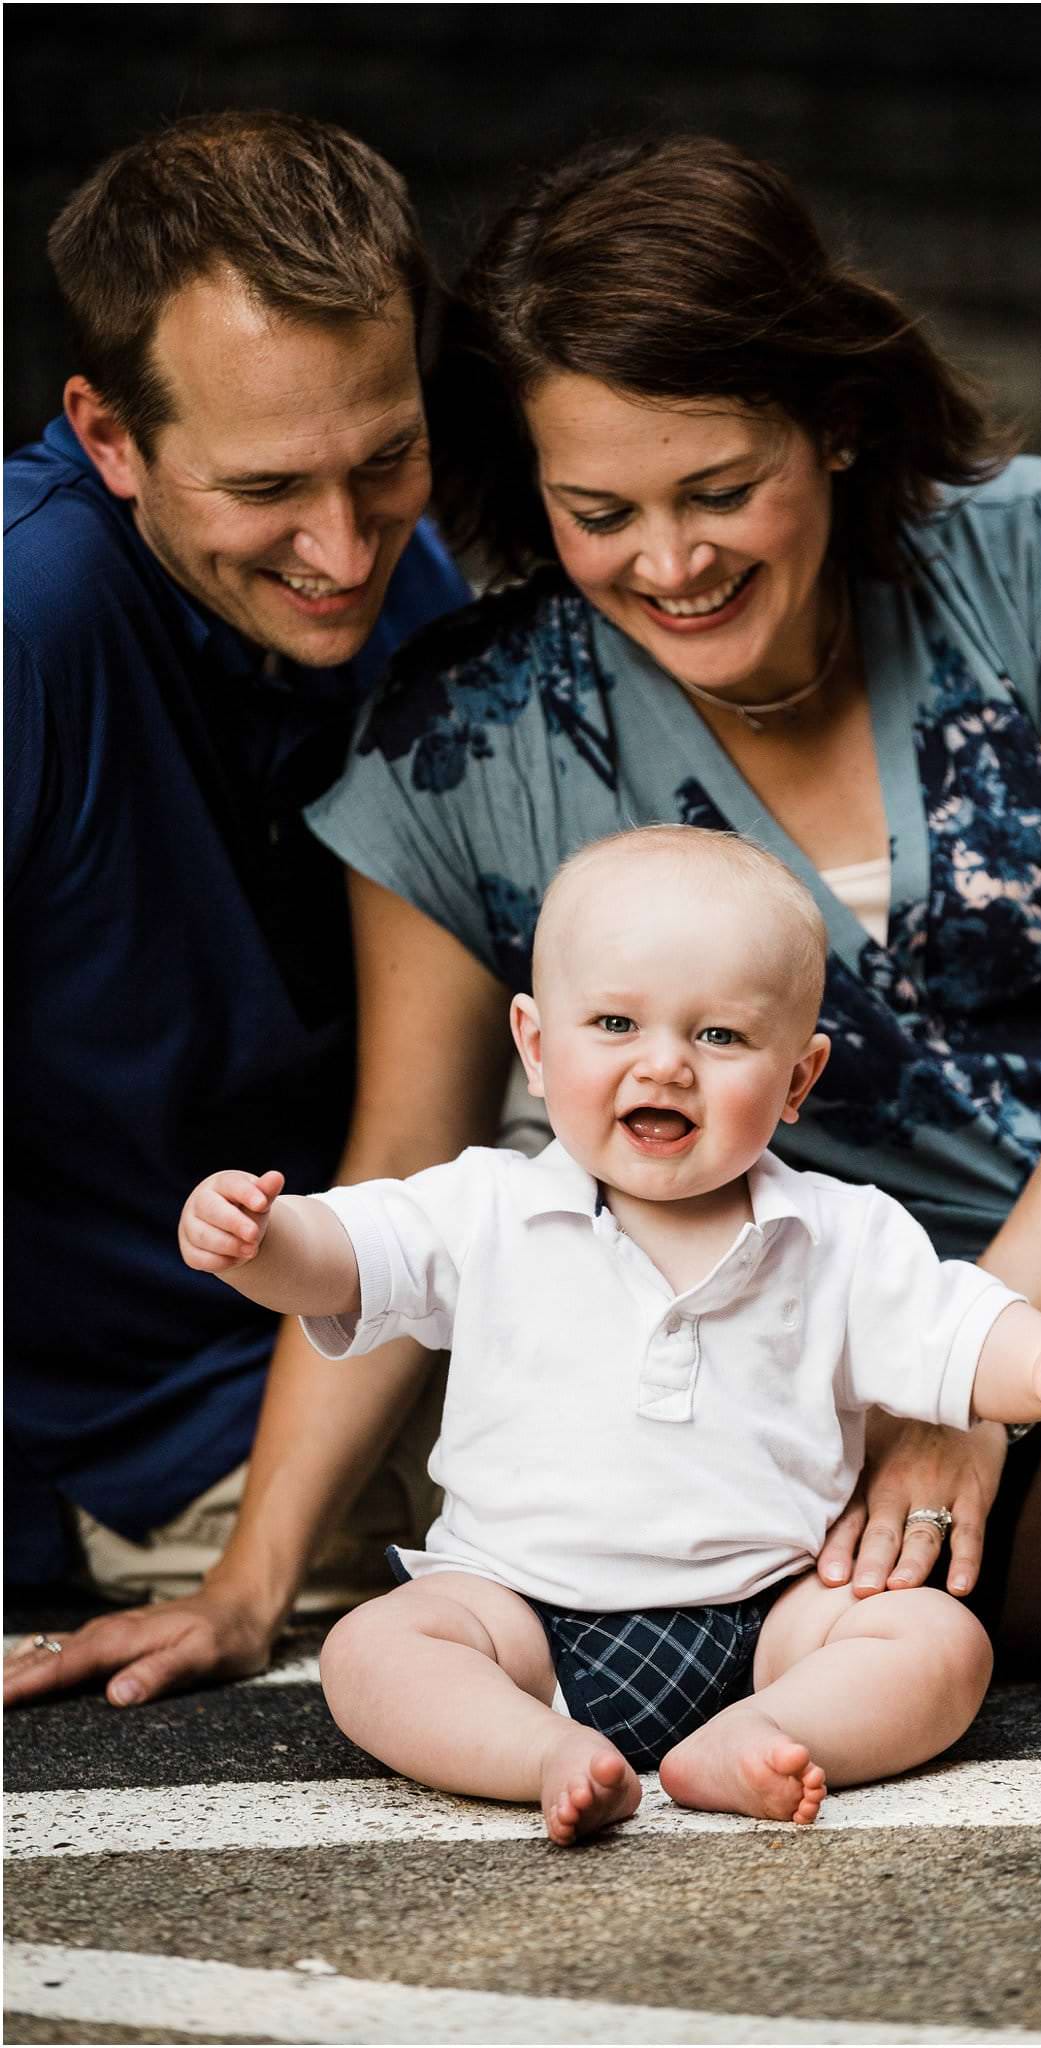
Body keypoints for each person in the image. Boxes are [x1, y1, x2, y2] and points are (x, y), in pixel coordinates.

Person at [14, 132, 1041, 1712]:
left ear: (833, 421)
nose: (670, 561)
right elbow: (396, 1183)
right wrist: (251, 1585)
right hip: (834, 1464)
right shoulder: (460, 741)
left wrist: (973, 1385)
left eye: (720, 490)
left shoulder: (1015, 552)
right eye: (599, 512)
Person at [177, 829, 1041, 1841]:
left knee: (935, 1642)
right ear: (536, 1043)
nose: (664, 1062)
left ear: (797, 1077)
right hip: (519, 1614)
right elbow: (346, 1256)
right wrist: (258, 1237)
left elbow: (955, 1327)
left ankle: (755, 1736)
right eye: (613, 1021)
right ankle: (541, 1750)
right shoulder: (485, 1207)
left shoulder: (840, 1233)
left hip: (773, 1613)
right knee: (374, 1649)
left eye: (719, 1037)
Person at [3, 112, 468, 1688]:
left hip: (390, 1313)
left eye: (385, 457)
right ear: (112, 434)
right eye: (268, 484)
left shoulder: (405, 581)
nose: (341, 546)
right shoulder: (27, 625)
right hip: (149, 1433)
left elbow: (415, 1134)